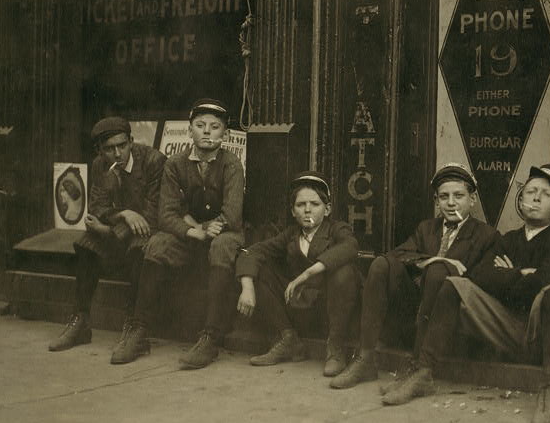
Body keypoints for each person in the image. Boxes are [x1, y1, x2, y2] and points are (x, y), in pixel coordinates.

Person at [388, 165, 550, 423]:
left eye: (546, 194)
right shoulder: (508, 240)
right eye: (531, 192)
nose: (536, 198)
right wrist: (522, 274)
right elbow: (480, 276)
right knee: (455, 284)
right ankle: (424, 371)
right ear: (521, 199)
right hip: (511, 330)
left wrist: (509, 275)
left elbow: (543, 283)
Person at [330, 162, 499, 391]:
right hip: (414, 312)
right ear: (436, 201)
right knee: (381, 264)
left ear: (472, 199)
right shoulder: (427, 228)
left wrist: (451, 268)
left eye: (458, 196)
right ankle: (366, 357)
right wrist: (427, 261)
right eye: (443, 197)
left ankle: (419, 367)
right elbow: (399, 254)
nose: (450, 203)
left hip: (447, 323)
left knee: (439, 271)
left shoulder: (487, 235)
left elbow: (486, 278)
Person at [48, 116, 167, 365]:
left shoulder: (154, 161)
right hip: (122, 229)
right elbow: (97, 207)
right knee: (85, 243)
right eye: (109, 149)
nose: (117, 154)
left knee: (139, 246)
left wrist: (109, 229)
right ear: (100, 151)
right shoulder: (100, 165)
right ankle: (80, 320)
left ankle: (134, 329)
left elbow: (151, 216)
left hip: (146, 235)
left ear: (131, 141)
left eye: (122, 146)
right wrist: (124, 213)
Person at [139, 98, 245, 370]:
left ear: (226, 134)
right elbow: (167, 213)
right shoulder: (175, 164)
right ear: (189, 131)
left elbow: (232, 214)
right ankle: (138, 329)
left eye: (215, 126)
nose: (207, 131)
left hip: (224, 232)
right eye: (200, 125)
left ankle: (210, 337)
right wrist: (193, 231)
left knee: (222, 246)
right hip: (192, 232)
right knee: (157, 244)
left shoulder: (231, 164)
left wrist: (211, 228)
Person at [235, 171, 362, 374]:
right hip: (300, 310)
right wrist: (247, 286)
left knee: (344, 272)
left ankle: (336, 348)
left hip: (328, 312)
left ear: (327, 209)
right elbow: (253, 251)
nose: (307, 210)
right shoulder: (290, 235)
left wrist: (306, 275)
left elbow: (350, 247)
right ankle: (288, 339)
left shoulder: (337, 229)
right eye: (301, 205)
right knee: (260, 268)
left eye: (315, 204)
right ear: (293, 211)